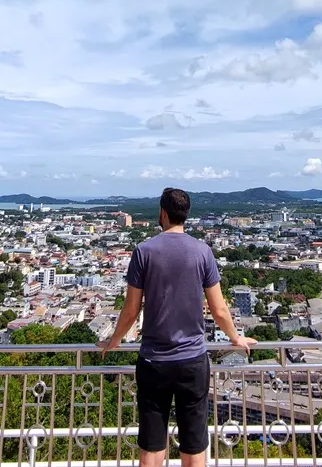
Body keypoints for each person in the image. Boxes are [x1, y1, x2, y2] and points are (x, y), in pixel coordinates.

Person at [98, 187, 257, 467]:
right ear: (186, 215)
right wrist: (236, 338)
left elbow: (131, 310)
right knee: (194, 444)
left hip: (153, 361)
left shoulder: (144, 251)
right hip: (192, 361)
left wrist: (114, 340)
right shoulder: (202, 251)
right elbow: (219, 310)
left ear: (162, 213)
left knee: (151, 443)